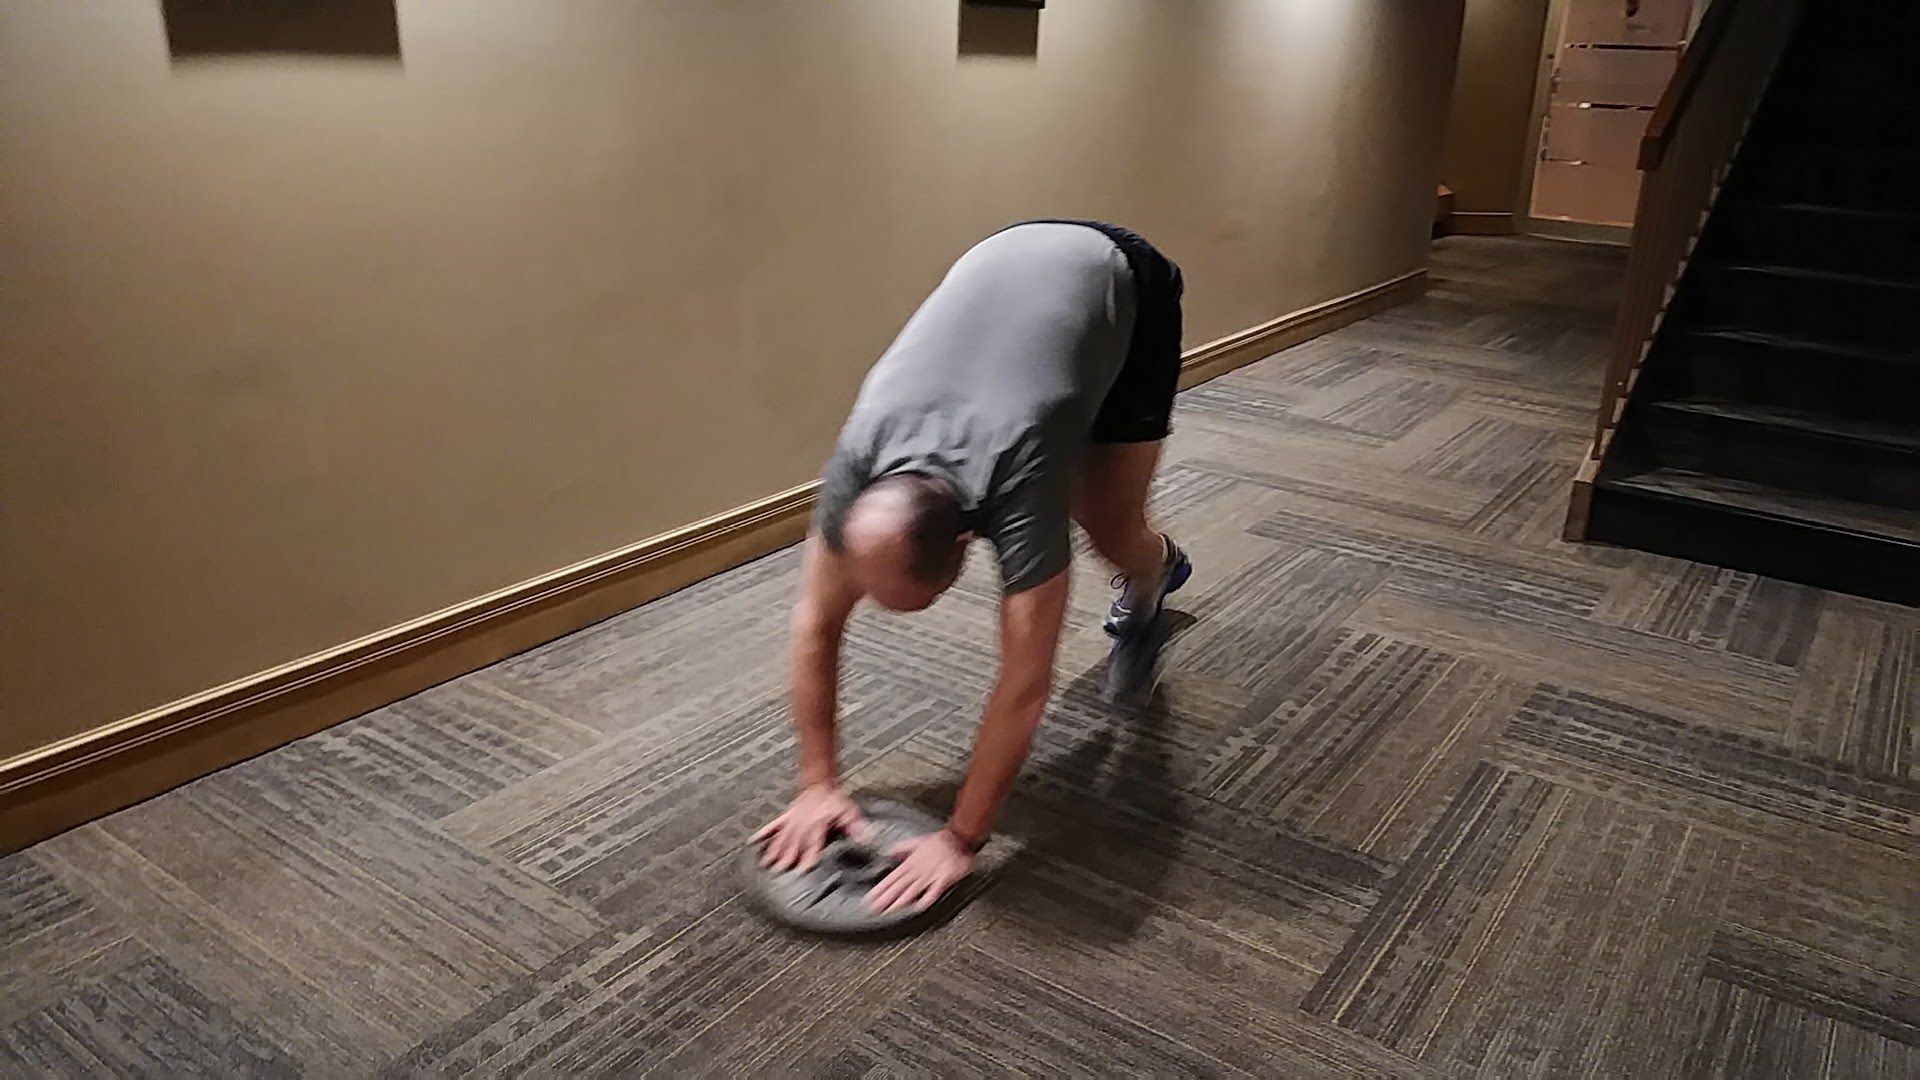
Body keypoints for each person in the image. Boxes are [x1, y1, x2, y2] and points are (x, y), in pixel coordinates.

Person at [754, 220, 1193, 915]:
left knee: (1108, 526)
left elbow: (1024, 684)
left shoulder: (1021, 485)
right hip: (1006, 259)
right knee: (1078, 494)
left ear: (968, 542)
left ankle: (1155, 574)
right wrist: (816, 782)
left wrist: (960, 839)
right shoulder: (855, 473)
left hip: (1123, 282)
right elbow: (814, 626)